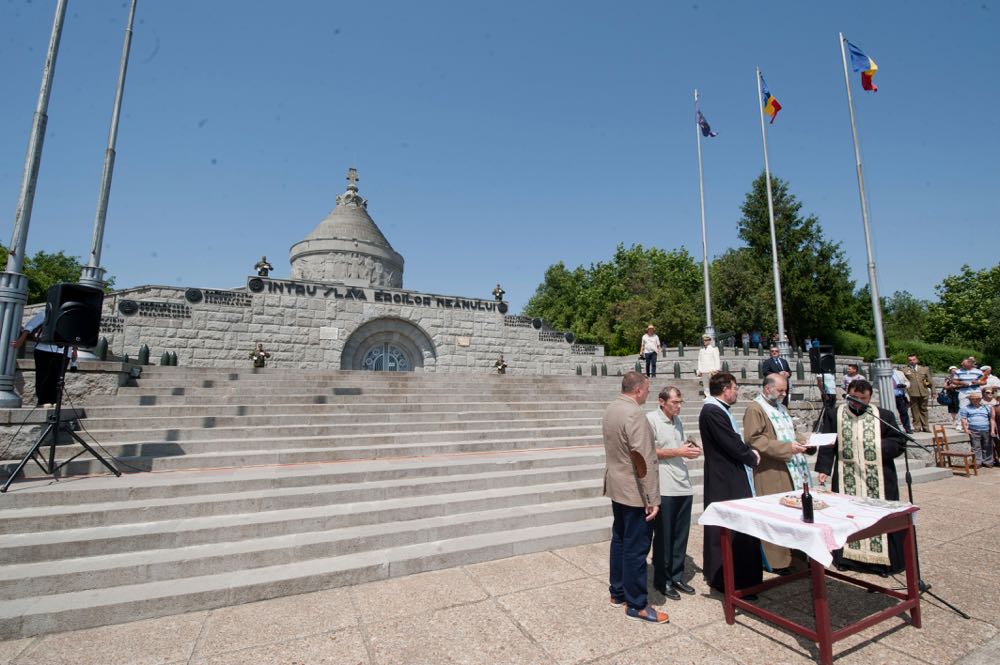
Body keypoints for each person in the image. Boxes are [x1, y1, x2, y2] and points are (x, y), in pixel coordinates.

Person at [816, 380, 907, 575]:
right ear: (847, 394)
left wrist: (879, 446)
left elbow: (899, 441)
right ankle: (847, 559)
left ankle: (882, 563)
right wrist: (824, 469)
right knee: (846, 516)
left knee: (879, 517)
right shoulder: (835, 415)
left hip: (879, 476)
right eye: (853, 398)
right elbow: (827, 443)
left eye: (862, 399)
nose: (857, 402)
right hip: (846, 475)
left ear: (870, 397)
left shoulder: (883, 415)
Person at [602, 371, 668, 624]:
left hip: (617, 486)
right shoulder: (635, 414)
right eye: (647, 389)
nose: (648, 393)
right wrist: (652, 496)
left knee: (619, 540)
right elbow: (642, 458)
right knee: (636, 548)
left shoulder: (611, 408)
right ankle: (637, 604)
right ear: (639, 389)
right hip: (634, 491)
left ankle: (617, 592)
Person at [743, 375, 812, 574]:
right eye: (780, 390)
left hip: (792, 468)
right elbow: (754, 439)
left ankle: (797, 557)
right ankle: (778, 561)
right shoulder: (755, 409)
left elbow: (789, 430)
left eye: (784, 391)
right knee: (776, 515)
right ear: (767, 388)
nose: (783, 394)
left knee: (795, 514)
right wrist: (786, 447)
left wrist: (805, 441)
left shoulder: (781, 406)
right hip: (772, 470)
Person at [700, 372, 762, 594]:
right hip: (725, 479)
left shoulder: (717, 409)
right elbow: (731, 444)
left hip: (728, 475)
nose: (737, 392)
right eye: (735, 388)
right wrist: (752, 456)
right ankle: (729, 579)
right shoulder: (712, 411)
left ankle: (738, 577)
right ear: (725, 389)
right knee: (729, 530)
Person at [646, 386, 700, 601]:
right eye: (675, 402)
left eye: (680, 402)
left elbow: (678, 448)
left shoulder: (677, 420)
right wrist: (679, 451)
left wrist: (690, 450)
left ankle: (676, 576)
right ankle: (662, 580)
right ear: (662, 401)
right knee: (664, 537)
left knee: (680, 535)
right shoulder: (651, 420)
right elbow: (648, 451)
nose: (678, 406)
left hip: (682, 484)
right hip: (665, 486)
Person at [10, 310, 75, 407]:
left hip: (64, 351)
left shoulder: (74, 314)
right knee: (43, 376)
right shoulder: (49, 311)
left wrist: (75, 350)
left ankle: (54, 401)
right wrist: (21, 340)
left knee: (57, 378)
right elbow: (30, 325)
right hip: (44, 348)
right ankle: (43, 401)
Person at [960, 390, 995, 469]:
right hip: (974, 430)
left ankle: (988, 462)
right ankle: (978, 462)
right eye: (973, 399)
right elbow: (963, 419)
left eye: (977, 399)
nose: (975, 400)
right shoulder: (965, 408)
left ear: (980, 399)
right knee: (976, 447)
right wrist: (966, 429)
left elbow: (991, 419)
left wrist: (992, 430)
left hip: (986, 429)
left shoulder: (986, 407)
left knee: (988, 446)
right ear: (970, 400)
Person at [901, 354, 934, 433]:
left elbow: (929, 381)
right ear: (908, 361)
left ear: (917, 360)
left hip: (924, 392)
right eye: (910, 360)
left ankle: (926, 427)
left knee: (924, 409)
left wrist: (933, 391)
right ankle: (917, 427)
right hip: (912, 393)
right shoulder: (904, 370)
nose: (912, 361)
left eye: (914, 359)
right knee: (914, 410)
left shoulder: (924, 369)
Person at [891, 367, 913, 434]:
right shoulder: (880, 374)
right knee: (890, 414)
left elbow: (907, 382)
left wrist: (905, 385)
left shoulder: (899, 373)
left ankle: (907, 428)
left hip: (900, 396)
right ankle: (892, 429)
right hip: (890, 397)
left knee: (904, 412)